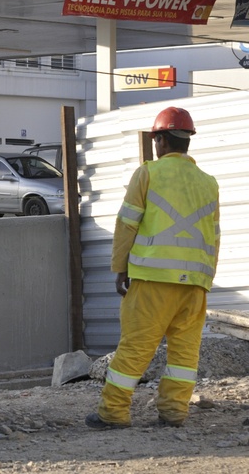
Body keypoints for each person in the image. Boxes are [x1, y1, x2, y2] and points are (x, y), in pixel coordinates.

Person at [86, 106, 220, 430]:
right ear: (188, 141)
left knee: (136, 346)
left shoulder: (148, 173)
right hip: (195, 285)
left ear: (160, 140)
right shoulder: (209, 183)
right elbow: (214, 235)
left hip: (154, 280)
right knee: (185, 352)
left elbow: (126, 225)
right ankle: (174, 412)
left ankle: (114, 412)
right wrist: (205, 280)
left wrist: (120, 268)